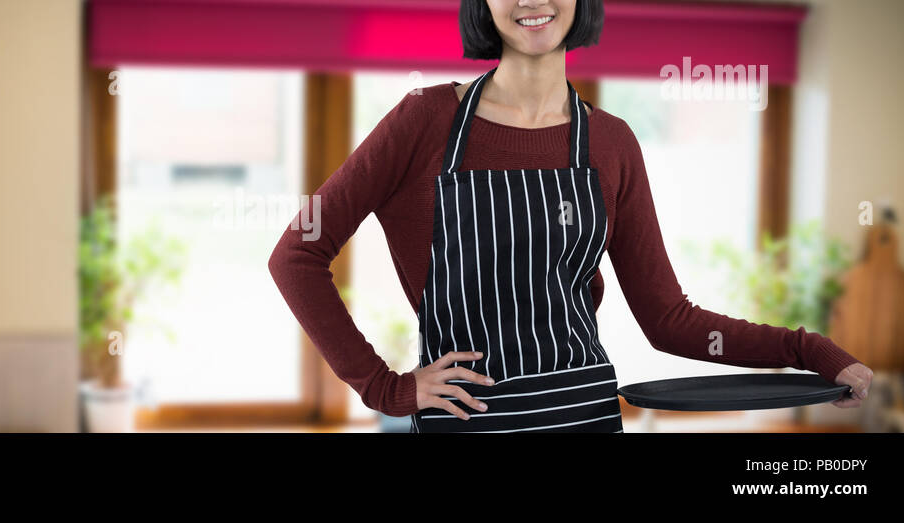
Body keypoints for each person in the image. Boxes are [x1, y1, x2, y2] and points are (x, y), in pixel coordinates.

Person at [267, 0, 872, 433]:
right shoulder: (424, 120)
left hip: (583, 415)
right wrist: (387, 388)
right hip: (470, 425)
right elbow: (296, 255)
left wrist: (811, 350)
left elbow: (668, 319)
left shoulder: (611, 142)